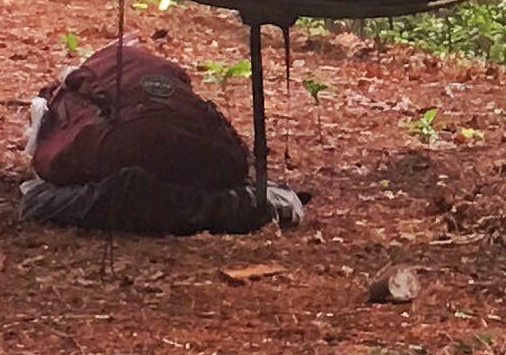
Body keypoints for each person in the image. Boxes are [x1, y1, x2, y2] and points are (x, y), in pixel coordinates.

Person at [17, 40, 302, 235]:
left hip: (133, 162)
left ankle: (229, 205)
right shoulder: (129, 63)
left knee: (40, 199)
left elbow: (54, 167)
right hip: (217, 158)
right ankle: (246, 203)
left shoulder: (68, 106)